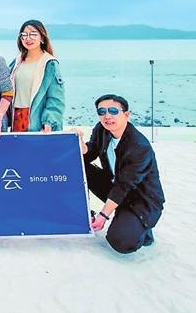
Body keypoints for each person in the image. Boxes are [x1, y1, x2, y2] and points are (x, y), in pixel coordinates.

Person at [75, 94, 165, 254]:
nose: (107, 116)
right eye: (101, 111)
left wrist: (103, 216)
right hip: (116, 187)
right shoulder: (102, 129)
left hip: (142, 200)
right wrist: (79, 140)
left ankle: (141, 228)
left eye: (113, 111)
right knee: (78, 166)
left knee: (120, 242)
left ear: (126, 114)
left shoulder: (139, 146)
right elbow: (89, 153)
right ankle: (94, 213)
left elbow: (125, 185)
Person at [9, 19, 65, 133]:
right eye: (24, 35)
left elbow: (56, 98)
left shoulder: (50, 63)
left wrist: (49, 121)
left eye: (33, 34)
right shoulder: (16, 62)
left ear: (42, 38)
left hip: (37, 120)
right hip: (16, 117)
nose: (28, 38)